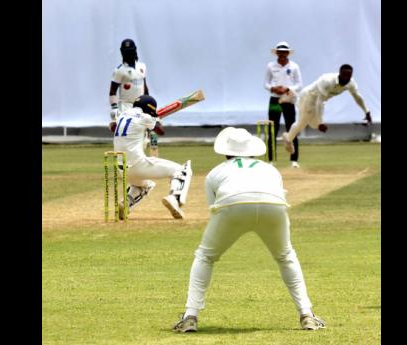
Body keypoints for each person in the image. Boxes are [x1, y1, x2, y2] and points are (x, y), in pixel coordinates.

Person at [172, 127, 325, 333]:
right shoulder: (270, 169)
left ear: (226, 151)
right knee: (286, 256)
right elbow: (279, 195)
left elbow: (214, 209)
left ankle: (190, 316)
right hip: (274, 206)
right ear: (252, 150)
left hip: (231, 206)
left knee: (205, 256)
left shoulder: (215, 172)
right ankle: (307, 314)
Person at [113, 95, 192, 220]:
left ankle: (126, 203)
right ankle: (175, 199)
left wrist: (153, 117)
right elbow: (160, 130)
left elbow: (113, 126)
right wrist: (156, 118)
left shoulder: (122, 115)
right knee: (182, 170)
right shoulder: (145, 117)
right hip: (138, 165)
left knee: (145, 185)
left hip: (121, 170)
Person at [282, 64, 372, 154]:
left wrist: (366, 111)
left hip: (319, 101)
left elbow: (357, 97)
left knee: (314, 125)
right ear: (339, 73)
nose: (346, 78)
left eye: (348, 76)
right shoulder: (327, 80)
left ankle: (294, 99)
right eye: (344, 75)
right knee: (302, 123)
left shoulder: (350, 83)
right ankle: (288, 140)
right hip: (308, 97)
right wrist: (321, 122)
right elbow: (319, 102)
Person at [109, 38, 158, 156]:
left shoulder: (142, 66)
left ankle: (144, 164)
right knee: (128, 138)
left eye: (131, 50)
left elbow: (145, 87)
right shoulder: (119, 71)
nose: (129, 53)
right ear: (122, 52)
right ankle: (126, 165)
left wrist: (150, 105)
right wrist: (114, 109)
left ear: (135, 50)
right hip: (126, 107)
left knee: (144, 139)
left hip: (141, 107)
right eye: (126, 51)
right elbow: (112, 91)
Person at [264, 41, 303, 168]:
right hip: (275, 100)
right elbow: (266, 83)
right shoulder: (270, 66)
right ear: (276, 53)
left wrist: (286, 89)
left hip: (288, 100)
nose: (281, 54)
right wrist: (274, 89)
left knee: (292, 128)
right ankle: (271, 160)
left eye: (284, 52)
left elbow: (299, 84)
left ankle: (294, 160)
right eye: (279, 52)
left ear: (287, 53)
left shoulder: (294, 66)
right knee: (272, 129)